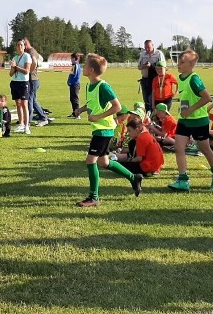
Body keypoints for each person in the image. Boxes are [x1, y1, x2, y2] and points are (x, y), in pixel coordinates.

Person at [72, 53, 143, 207]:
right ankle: (133, 177)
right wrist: (82, 109)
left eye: (84, 65)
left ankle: (93, 197)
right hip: (99, 129)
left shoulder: (103, 86)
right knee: (104, 162)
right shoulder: (89, 85)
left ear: (91, 70)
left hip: (104, 130)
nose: (82, 67)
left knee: (90, 161)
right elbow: (92, 103)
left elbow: (117, 106)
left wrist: (98, 117)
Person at [167, 49, 213, 191]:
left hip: (199, 120)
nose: (178, 64)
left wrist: (190, 110)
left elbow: (207, 98)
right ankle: (183, 180)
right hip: (184, 120)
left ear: (191, 65)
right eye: (178, 61)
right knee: (179, 148)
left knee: (204, 148)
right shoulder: (181, 77)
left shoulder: (194, 79)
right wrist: (184, 112)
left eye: (182, 62)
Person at [24, 39, 50, 127]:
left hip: (33, 80)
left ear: (26, 44)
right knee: (34, 100)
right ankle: (43, 117)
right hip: (35, 80)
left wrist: (29, 71)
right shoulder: (33, 51)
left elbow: (35, 62)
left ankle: (29, 120)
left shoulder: (31, 52)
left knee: (30, 100)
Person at [9, 39, 32, 134]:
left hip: (23, 83)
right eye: (18, 45)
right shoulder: (15, 57)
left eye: (21, 45)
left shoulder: (27, 56)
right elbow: (10, 74)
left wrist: (16, 67)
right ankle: (21, 124)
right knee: (18, 104)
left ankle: (27, 126)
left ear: (24, 46)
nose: (19, 47)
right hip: (15, 82)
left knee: (24, 104)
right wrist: (13, 67)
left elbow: (27, 71)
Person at [138, 39, 165, 112]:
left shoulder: (158, 53)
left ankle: (155, 116)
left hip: (155, 80)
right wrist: (144, 66)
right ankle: (148, 117)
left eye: (148, 47)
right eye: (145, 47)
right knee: (146, 100)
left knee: (153, 100)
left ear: (153, 45)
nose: (147, 49)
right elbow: (139, 67)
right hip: (145, 79)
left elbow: (163, 67)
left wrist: (152, 66)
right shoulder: (142, 54)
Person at [67, 52, 82, 118]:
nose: (70, 59)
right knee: (72, 99)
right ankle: (74, 113)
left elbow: (75, 75)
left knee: (75, 99)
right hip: (73, 84)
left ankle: (77, 114)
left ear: (73, 58)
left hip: (75, 84)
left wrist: (71, 82)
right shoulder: (74, 65)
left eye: (71, 58)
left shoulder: (75, 65)